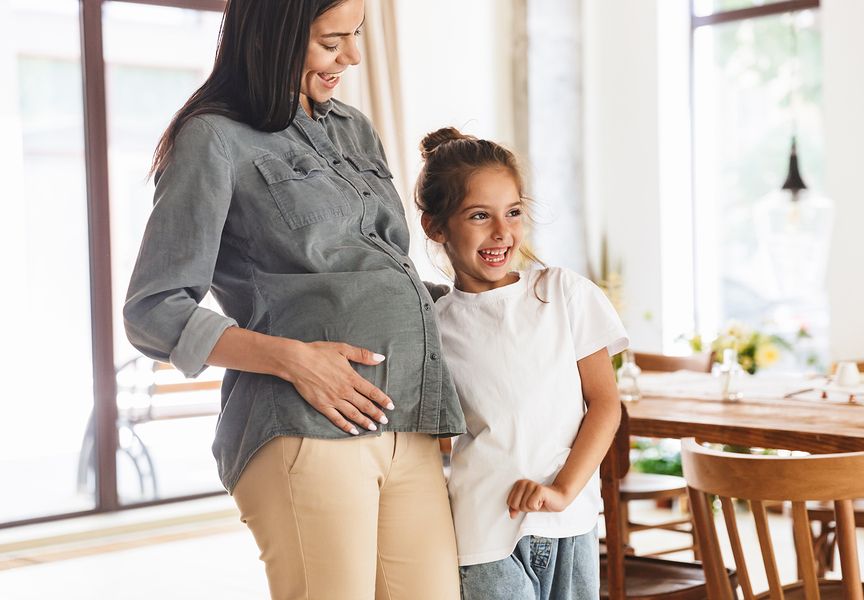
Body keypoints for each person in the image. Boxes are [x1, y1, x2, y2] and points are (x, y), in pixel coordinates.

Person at [123, 1, 465, 598]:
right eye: (332, 42)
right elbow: (154, 311)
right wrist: (295, 360)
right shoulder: (213, 138)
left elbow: (382, 274)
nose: (352, 57)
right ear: (276, 35)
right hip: (306, 427)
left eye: (355, 37)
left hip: (408, 422)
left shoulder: (353, 129)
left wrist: (515, 307)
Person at [416, 127, 628, 600]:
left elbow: (604, 404)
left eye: (513, 212)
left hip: (569, 520)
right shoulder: (434, 324)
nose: (501, 232)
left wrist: (563, 490)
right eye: (478, 215)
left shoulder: (563, 293)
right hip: (484, 533)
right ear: (436, 227)